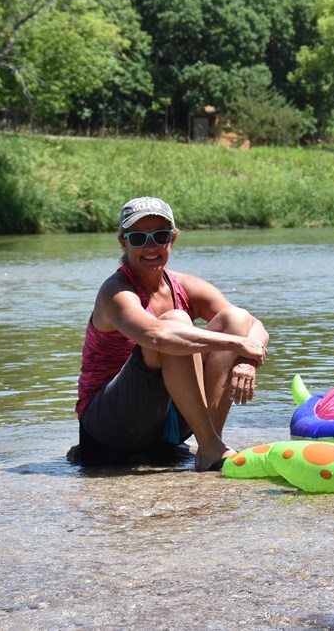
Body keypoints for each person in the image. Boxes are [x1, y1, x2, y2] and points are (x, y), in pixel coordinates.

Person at [74, 197, 269, 472]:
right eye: (139, 237)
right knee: (176, 322)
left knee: (234, 318)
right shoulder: (115, 292)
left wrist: (248, 359)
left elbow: (253, 325)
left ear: (173, 238)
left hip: (166, 421)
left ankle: (209, 446)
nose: (151, 246)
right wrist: (239, 344)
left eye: (160, 236)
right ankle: (211, 447)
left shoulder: (185, 285)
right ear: (123, 241)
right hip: (109, 427)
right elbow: (156, 336)